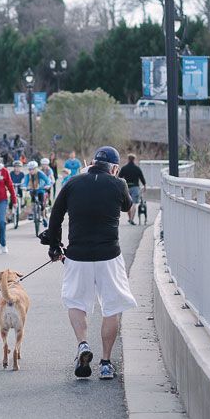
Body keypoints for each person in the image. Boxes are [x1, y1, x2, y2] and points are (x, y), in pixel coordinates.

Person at [45, 145, 137, 380]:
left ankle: (83, 345)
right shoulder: (118, 184)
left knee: (76, 302)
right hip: (109, 255)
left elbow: (55, 216)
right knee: (112, 307)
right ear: (115, 167)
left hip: (78, 255)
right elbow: (128, 206)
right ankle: (106, 363)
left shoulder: (73, 183)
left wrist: (55, 245)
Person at [119, 152, 146, 226]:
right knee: (134, 203)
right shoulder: (137, 168)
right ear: (134, 159)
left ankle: (130, 218)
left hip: (126, 187)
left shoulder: (124, 168)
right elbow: (142, 178)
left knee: (128, 203)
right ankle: (131, 219)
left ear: (128, 159)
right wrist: (145, 185)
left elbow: (119, 177)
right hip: (135, 187)